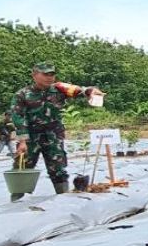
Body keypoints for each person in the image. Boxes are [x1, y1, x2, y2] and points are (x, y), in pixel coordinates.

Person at [10, 62, 102, 201]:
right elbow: (18, 117)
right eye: (45, 74)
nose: (49, 77)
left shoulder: (60, 89)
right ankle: (16, 201)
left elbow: (82, 90)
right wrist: (22, 141)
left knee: (58, 168)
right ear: (34, 75)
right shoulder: (23, 94)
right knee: (23, 167)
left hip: (53, 135)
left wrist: (91, 91)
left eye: (51, 74)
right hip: (30, 137)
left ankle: (63, 199)